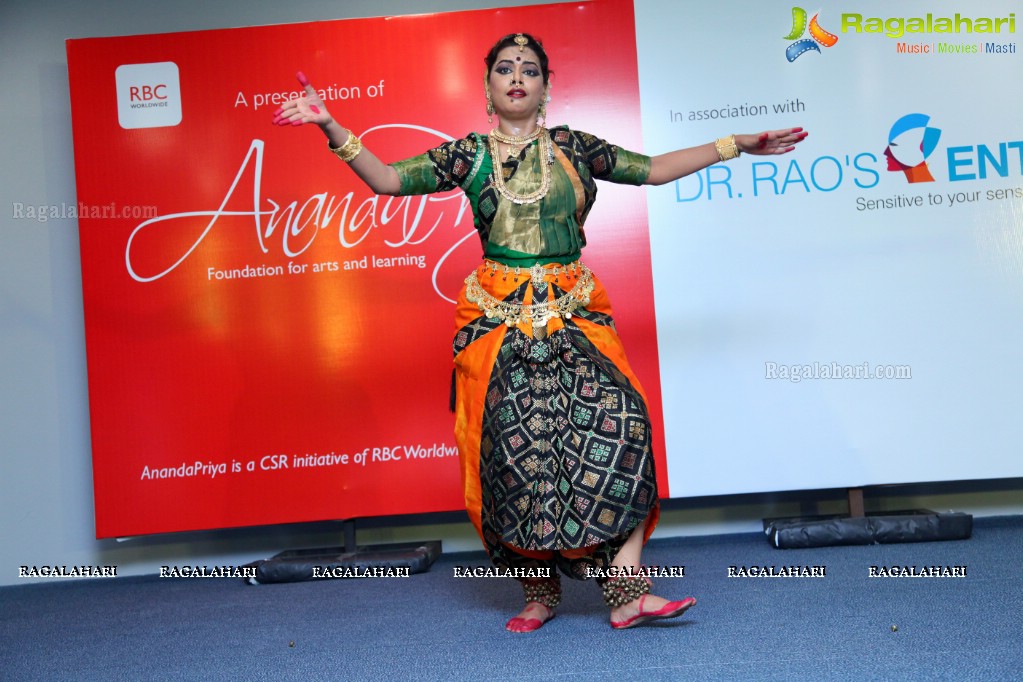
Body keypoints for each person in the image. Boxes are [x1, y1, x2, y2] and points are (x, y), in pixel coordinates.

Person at [273, 32, 807, 632]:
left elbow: (653, 170)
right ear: (488, 87)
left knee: (625, 427)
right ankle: (540, 596)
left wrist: (734, 144)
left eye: (530, 69)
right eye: (505, 69)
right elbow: (388, 181)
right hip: (496, 323)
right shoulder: (470, 156)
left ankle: (627, 593)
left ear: (547, 88)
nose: (518, 77)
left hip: (575, 313)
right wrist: (331, 126)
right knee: (514, 460)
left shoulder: (574, 149)